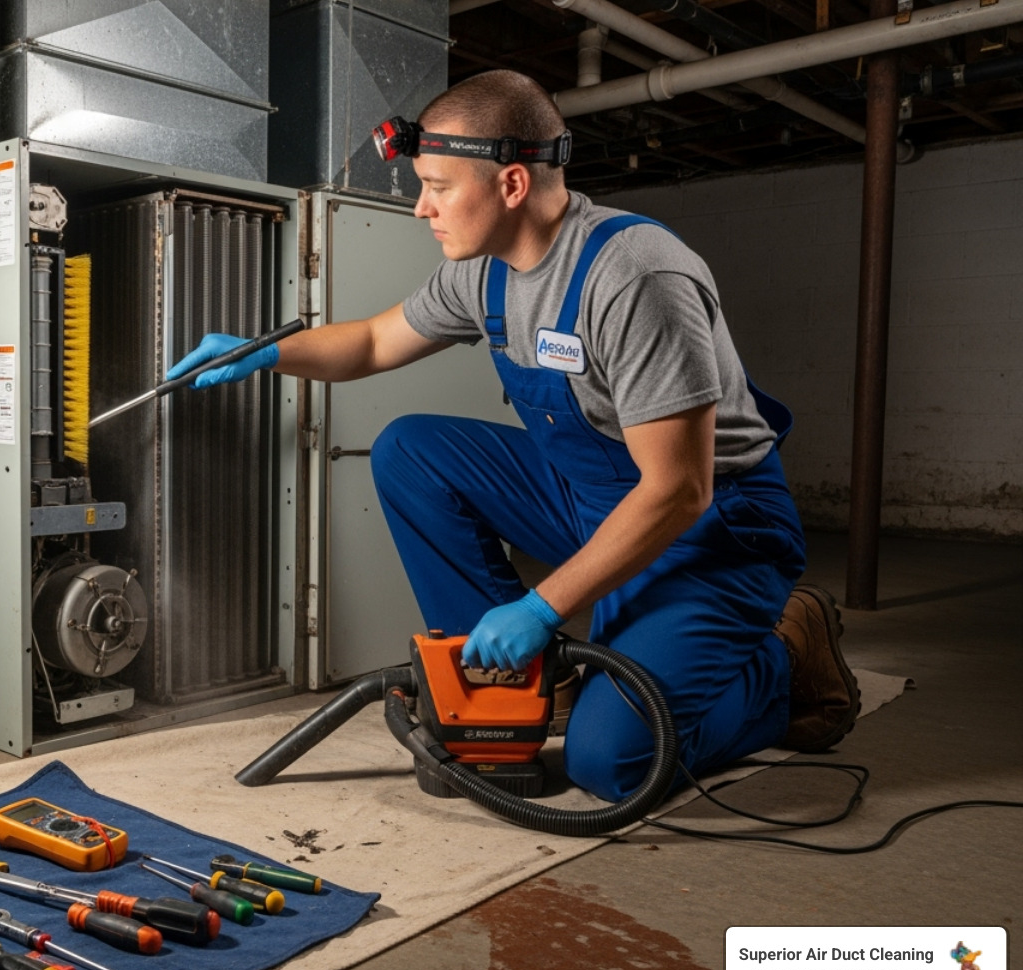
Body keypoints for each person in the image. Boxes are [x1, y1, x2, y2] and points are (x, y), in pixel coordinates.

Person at [167, 70, 859, 803]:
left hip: (711, 535)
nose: (420, 208)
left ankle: (784, 661)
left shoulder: (634, 278)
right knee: (412, 450)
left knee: (612, 764)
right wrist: (263, 351)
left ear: (513, 185)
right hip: (589, 496)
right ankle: (510, 691)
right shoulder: (484, 273)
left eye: (436, 185)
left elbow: (680, 489)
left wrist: (543, 607)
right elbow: (372, 343)